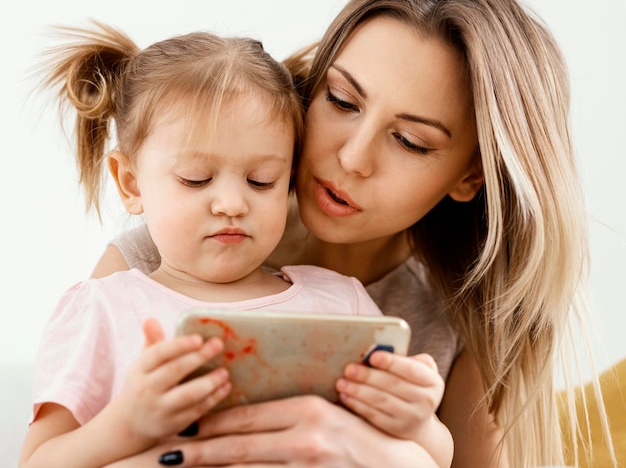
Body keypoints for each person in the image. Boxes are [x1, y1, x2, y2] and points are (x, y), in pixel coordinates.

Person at [72, 0, 611, 468]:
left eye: (410, 141)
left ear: (470, 177)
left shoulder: (465, 316)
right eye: (342, 100)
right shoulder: (157, 261)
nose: (352, 158)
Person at [19, 25, 452, 468]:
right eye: (196, 179)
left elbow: (432, 457)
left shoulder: (342, 303)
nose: (231, 204)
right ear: (130, 183)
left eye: (261, 181)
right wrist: (127, 424)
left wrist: (421, 425)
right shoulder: (104, 308)